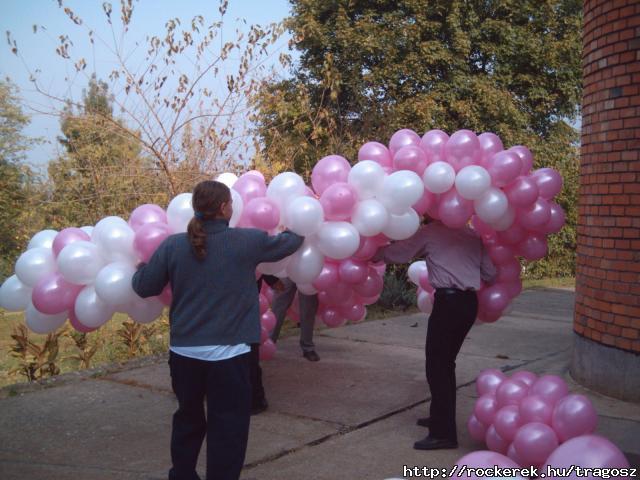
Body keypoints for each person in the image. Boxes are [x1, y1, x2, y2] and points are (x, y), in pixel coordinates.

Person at [131, 180, 303, 480]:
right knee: (229, 426)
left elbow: (145, 286)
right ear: (224, 207)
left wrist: (138, 269)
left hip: (184, 356)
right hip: (230, 357)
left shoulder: (172, 245)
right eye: (231, 204)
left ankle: (182, 474)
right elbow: (290, 243)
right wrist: (299, 223)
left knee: (187, 418)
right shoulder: (247, 240)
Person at [373, 219, 496, 451]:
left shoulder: (430, 232)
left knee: (438, 366)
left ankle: (443, 434)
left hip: (448, 303)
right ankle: (440, 418)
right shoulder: (472, 235)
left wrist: (372, 253)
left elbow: (400, 253)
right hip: (468, 304)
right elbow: (490, 273)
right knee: (446, 364)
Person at [269, 278, 320, 361]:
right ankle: (269, 342)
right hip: (287, 269)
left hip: (308, 270)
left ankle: (308, 348)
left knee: (308, 309)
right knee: (278, 307)